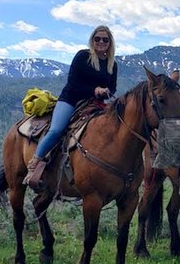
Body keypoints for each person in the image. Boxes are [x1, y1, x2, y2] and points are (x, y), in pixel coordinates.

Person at [23, 25, 118, 188]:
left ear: (110, 42)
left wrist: (107, 91)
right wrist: (94, 90)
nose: (101, 42)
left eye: (105, 39)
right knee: (56, 130)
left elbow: (113, 86)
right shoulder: (83, 56)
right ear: (92, 40)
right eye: (97, 39)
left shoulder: (112, 64)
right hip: (71, 99)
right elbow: (73, 81)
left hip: (96, 104)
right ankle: (34, 163)